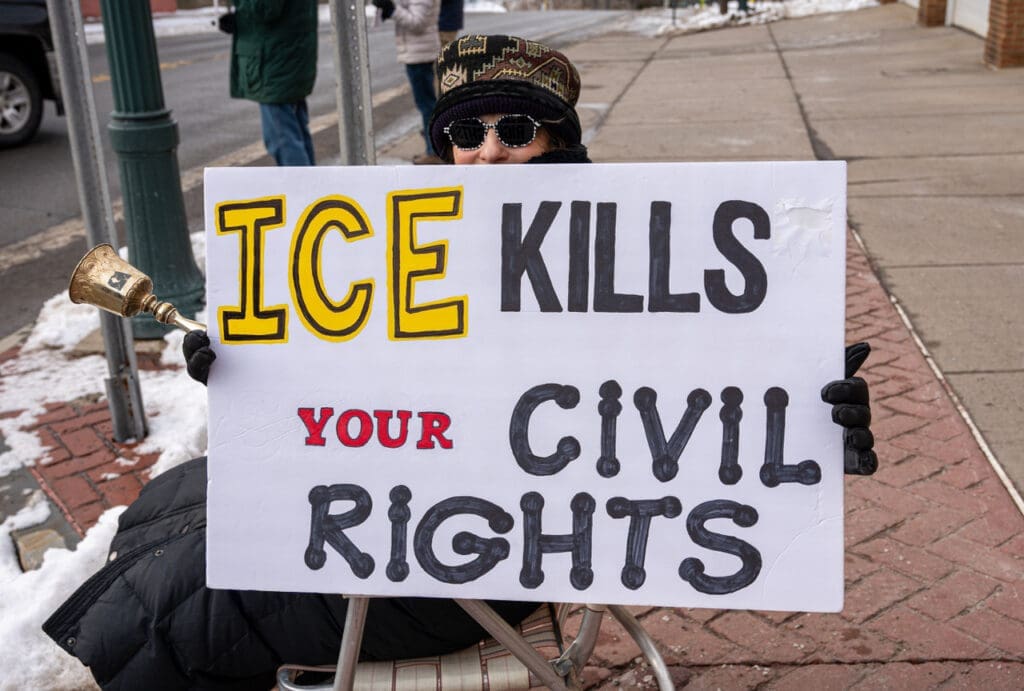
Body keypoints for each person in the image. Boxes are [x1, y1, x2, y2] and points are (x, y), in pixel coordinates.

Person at [45, 35, 877, 691]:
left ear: (557, 142)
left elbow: (711, 378)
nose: (488, 153)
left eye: (516, 131)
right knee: (168, 509)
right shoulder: (404, 257)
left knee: (179, 610)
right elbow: (340, 374)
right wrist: (241, 362)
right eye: (464, 135)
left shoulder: (621, 273)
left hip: (465, 564)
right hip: (378, 507)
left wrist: (809, 408)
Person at [225, 0, 318, 166]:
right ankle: (311, 188)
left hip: (276, 60)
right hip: (288, 56)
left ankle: (301, 190)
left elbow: (264, 8)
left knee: (283, 140)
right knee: (295, 134)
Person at [373, 0, 445, 165]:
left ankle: (433, 150)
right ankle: (433, 147)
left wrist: (392, 9)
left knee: (426, 105)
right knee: (426, 103)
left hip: (419, 54)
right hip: (417, 51)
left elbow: (417, 22)